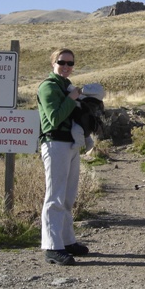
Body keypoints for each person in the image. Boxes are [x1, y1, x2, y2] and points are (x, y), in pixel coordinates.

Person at [37, 48, 90, 265]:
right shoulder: (49, 87)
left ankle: (67, 241)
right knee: (55, 196)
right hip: (55, 142)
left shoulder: (65, 86)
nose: (66, 66)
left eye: (70, 63)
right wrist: (72, 98)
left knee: (68, 196)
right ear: (53, 63)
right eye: (62, 62)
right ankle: (52, 246)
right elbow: (55, 117)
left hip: (69, 143)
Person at [66, 83, 105, 153]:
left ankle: (80, 146)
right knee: (86, 135)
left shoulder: (88, 98)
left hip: (84, 120)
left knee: (78, 130)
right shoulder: (95, 99)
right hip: (87, 121)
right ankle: (87, 149)